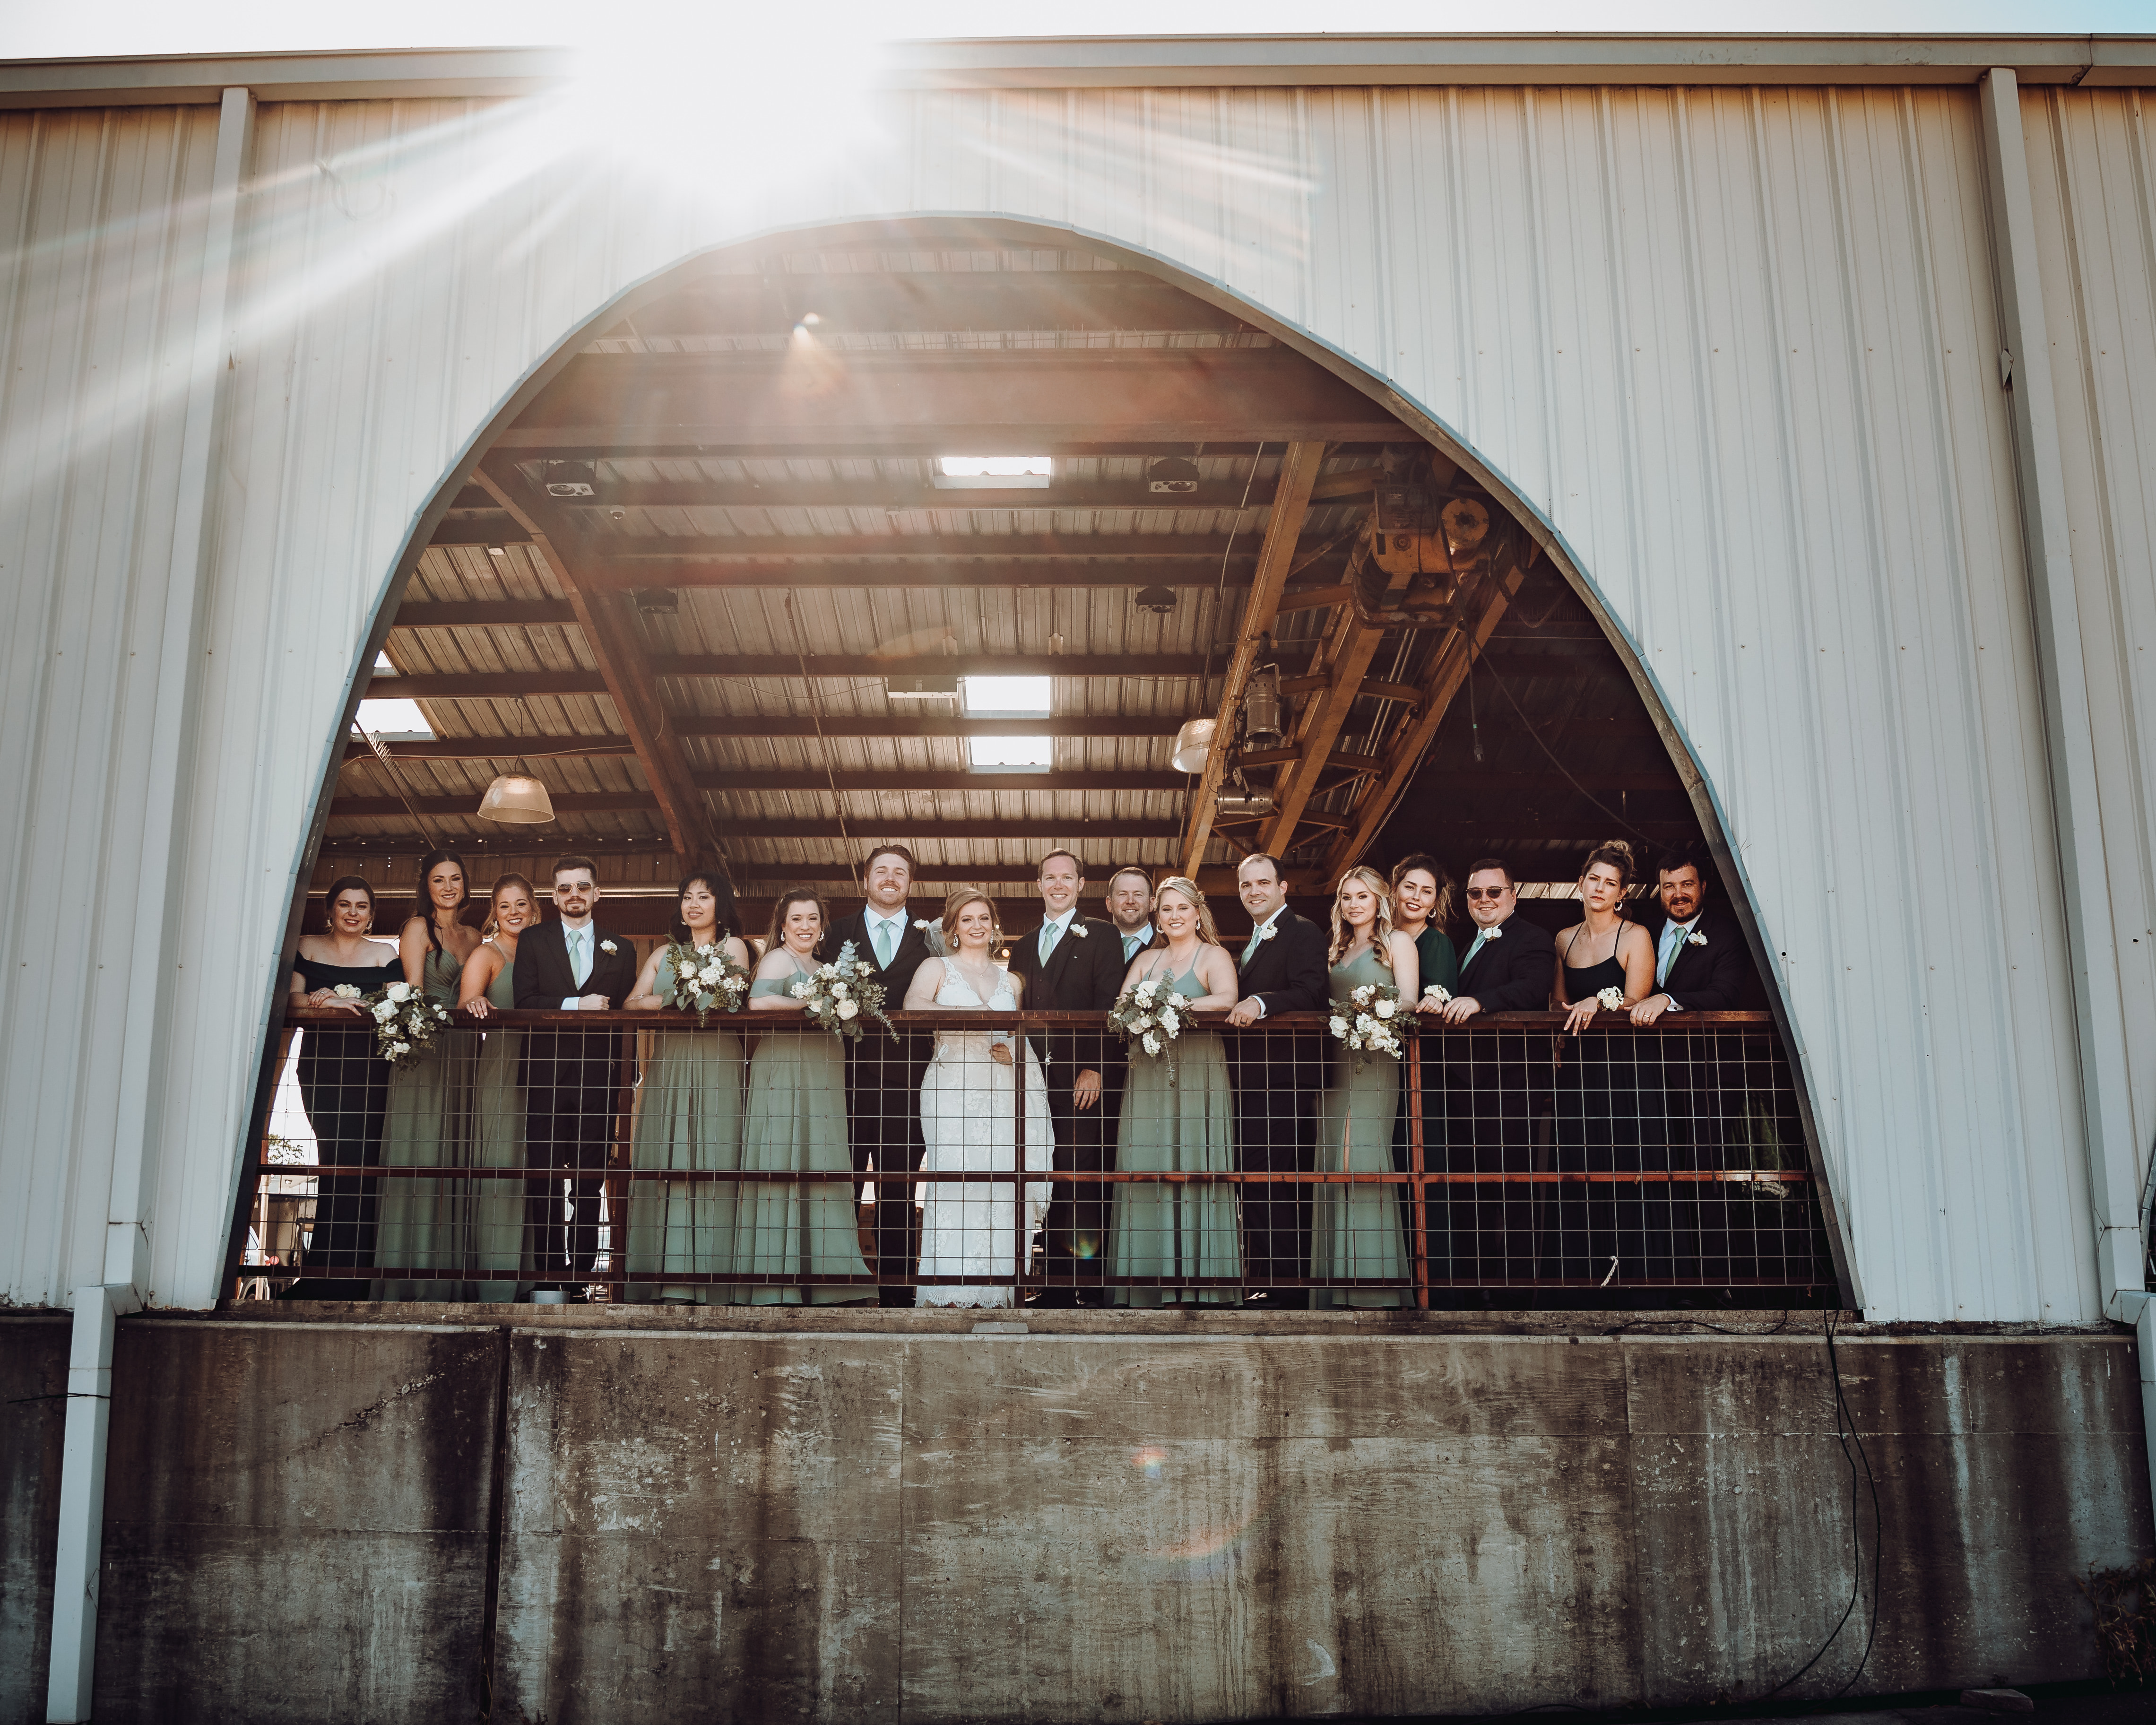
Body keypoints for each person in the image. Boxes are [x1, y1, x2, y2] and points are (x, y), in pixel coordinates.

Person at [902, 889, 1052, 1307]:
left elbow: (1019, 1035)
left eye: (983, 918)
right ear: (952, 928)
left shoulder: (1012, 981)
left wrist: (1016, 1051)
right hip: (951, 1089)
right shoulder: (936, 967)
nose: (976, 926)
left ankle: (997, 1290)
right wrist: (972, 1019)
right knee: (955, 1181)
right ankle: (949, 1291)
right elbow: (913, 1005)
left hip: (1002, 1092)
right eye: (966, 919)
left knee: (1001, 1183)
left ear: (993, 925)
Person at [1107, 876, 1241, 1306]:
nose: (1174, 915)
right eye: (1166, 909)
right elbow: (1121, 1006)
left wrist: (1170, 1006)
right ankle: (1144, 1280)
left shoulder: (1213, 954)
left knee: (1195, 1156)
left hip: (1197, 1072)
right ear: (1156, 915)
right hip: (1147, 1073)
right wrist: (1143, 1007)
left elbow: (1225, 999)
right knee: (1145, 1156)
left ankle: (1203, 1281)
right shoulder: (1147, 958)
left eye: (1182, 908)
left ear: (1197, 913)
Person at [736, 888, 873, 1304]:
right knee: (784, 1156)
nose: (805, 926)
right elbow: (758, 1002)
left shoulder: (823, 965)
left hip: (823, 1069)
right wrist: (812, 1001)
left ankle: (829, 1270)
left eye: (812, 918)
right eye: (796, 919)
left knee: (822, 1157)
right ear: (782, 925)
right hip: (786, 1067)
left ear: (822, 925)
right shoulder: (780, 959)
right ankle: (778, 1275)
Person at [624, 869, 753, 1304]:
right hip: (670, 1061)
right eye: (686, 896)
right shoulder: (664, 953)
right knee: (666, 1152)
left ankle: (712, 1276)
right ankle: (663, 1274)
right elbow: (631, 1002)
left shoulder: (732, 946)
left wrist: (680, 995)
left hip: (717, 1059)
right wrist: (677, 995)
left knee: (715, 1152)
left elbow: (731, 994)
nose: (693, 904)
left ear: (721, 904)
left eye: (704, 896)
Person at [514, 856, 639, 1296]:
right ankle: (549, 1278)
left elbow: (626, 1012)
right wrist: (574, 1005)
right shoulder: (532, 940)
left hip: (600, 1080)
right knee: (545, 1177)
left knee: (589, 1183)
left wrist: (629, 1075)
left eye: (582, 887)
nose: (574, 895)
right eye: (565, 888)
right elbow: (524, 1001)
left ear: (596, 893)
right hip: (546, 1076)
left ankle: (581, 1279)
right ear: (554, 896)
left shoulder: (621, 948)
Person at [1629, 847, 1756, 1286]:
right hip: (1649, 1079)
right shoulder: (1641, 932)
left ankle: (1715, 1280)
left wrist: (1667, 999)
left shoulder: (1725, 934)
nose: (1678, 894)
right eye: (1669, 886)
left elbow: (1724, 995)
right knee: (1656, 1174)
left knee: (1704, 1174)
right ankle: (1664, 1276)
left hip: (1706, 1077)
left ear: (1703, 887)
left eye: (1686, 885)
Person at [1432, 858, 1558, 1300]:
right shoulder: (1467, 942)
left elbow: (1531, 987)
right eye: (1475, 893)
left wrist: (1478, 1002)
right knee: (1470, 1185)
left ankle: (1516, 1286)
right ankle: (1474, 1282)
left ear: (1512, 895)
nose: (1484, 900)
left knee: (1512, 1183)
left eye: (1493, 892)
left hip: (1511, 1082)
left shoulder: (1533, 938)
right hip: (1468, 1084)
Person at [1007, 849, 1126, 1305]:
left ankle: (1090, 1288)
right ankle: (1055, 1287)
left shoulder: (1102, 934)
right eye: (1049, 878)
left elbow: (1110, 1004)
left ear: (1081, 884)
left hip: (1082, 1079)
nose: (1058, 885)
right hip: (1036, 1080)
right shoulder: (1022, 943)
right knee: (1049, 1175)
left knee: (1082, 1175)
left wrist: (1096, 1065)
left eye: (1067, 877)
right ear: (1038, 884)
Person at [819, 844, 935, 1306]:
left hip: (908, 1083)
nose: (890, 878)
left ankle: (896, 1297)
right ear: (865, 879)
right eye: (881, 871)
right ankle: (837, 1292)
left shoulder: (931, 936)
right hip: (845, 1081)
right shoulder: (836, 934)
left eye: (900, 872)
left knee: (899, 1194)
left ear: (910, 882)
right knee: (839, 1188)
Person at [1550, 842, 1659, 1290]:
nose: (1599, 888)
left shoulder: (1635, 936)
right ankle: (1586, 1276)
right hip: (1577, 1069)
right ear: (1580, 883)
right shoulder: (1562, 938)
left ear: (1621, 892)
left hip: (1624, 1071)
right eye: (1592, 879)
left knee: (1626, 1165)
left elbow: (1636, 998)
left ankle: (1634, 1277)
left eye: (1609, 883)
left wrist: (1599, 1000)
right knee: (1580, 1165)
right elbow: (1555, 1004)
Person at [284, 876, 398, 1296]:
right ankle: (323, 1274)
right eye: (345, 905)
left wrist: (355, 1002)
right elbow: (290, 999)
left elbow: (394, 1002)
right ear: (330, 909)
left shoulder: (384, 953)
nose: (353, 912)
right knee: (332, 1159)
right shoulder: (307, 945)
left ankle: (360, 1277)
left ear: (371, 914)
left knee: (365, 1163)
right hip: (322, 1068)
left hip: (371, 1069)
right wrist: (326, 1001)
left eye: (362, 906)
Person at [1222, 852, 1329, 1303]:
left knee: (1273, 1178)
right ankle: (1266, 1279)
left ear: (1283, 887)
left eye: (1263, 883)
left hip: (1282, 1079)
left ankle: (1287, 1287)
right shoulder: (1251, 939)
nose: (1255, 891)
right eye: (1247, 885)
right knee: (1255, 1178)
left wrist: (1259, 1002)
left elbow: (1311, 991)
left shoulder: (1302, 931)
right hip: (1252, 1080)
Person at [1312, 867, 1420, 1309]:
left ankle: (1373, 1282)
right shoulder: (1334, 947)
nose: (1354, 904)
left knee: (1364, 1154)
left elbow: (1410, 1002)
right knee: (1332, 1155)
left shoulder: (1399, 943)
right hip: (1334, 1065)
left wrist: (1373, 1014)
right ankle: (1336, 1281)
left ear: (1379, 900)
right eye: (1346, 897)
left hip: (1375, 1059)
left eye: (1362, 896)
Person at [376, 849, 481, 1300]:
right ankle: (410, 1273)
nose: (448, 887)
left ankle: (449, 1271)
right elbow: (413, 988)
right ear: (427, 885)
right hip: (424, 1047)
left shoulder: (475, 935)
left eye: (455, 878)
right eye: (439, 879)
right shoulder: (418, 928)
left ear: (464, 884)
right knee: (420, 1146)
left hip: (464, 1054)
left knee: (454, 1152)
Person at [456, 874, 538, 1302]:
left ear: (533, 907)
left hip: (546, 1066)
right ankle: (494, 1274)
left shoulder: (546, 950)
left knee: (537, 1164)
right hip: (504, 1065)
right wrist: (477, 1001)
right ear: (495, 911)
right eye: (505, 905)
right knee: (502, 1157)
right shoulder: (487, 954)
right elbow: (466, 1002)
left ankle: (532, 1276)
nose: (514, 912)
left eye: (521, 904)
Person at [1391, 853, 1459, 1253]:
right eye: (1409, 887)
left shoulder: (1435, 942)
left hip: (1418, 1068)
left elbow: (1438, 991)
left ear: (1435, 902)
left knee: (1418, 1155)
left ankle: (1429, 1270)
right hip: (1376, 1065)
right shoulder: (1377, 936)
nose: (1416, 897)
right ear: (1395, 889)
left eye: (1426, 891)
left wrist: (1434, 998)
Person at [1106, 867, 1157, 964]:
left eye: (1138, 895)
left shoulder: (1166, 944)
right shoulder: (1094, 944)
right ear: (1109, 904)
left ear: (1151, 904)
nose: (1130, 901)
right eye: (1123, 894)